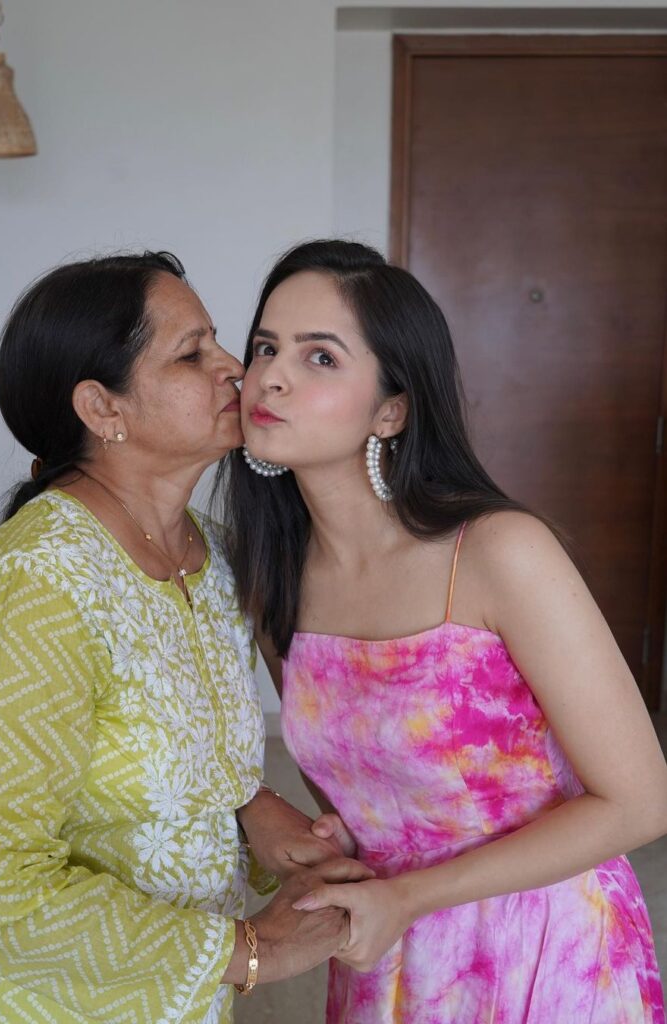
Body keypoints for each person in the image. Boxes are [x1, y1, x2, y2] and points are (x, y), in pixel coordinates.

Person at [0, 251, 371, 1024]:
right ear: (101, 408)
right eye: (192, 354)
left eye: (218, 341)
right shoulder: (32, 591)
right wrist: (252, 949)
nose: (235, 368)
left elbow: (140, 758)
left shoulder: (209, 553)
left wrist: (248, 811)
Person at [219, 239, 667, 1023]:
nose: (272, 376)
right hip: (388, 955)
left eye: (320, 357)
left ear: (390, 409)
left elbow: (639, 802)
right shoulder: (274, 582)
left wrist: (408, 895)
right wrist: (330, 841)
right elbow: (362, 799)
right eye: (265, 347)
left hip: (544, 951)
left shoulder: (497, 552)